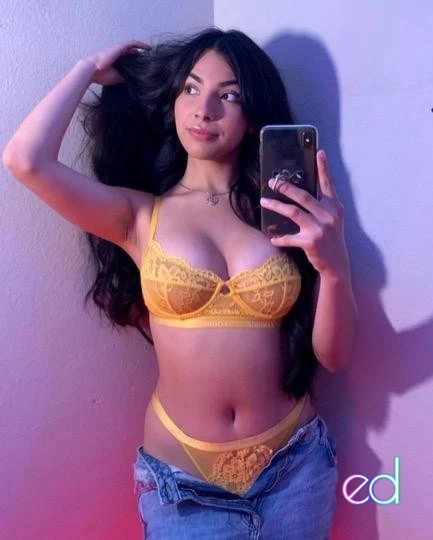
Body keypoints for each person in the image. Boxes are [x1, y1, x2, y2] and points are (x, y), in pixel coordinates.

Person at [3, 27, 358, 539]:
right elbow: (24, 160)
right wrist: (88, 69)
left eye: (228, 96)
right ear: (172, 100)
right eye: (190, 88)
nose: (203, 109)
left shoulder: (285, 214)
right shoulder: (138, 216)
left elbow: (334, 357)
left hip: (295, 468)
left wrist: (334, 265)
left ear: (253, 114)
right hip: (184, 487)